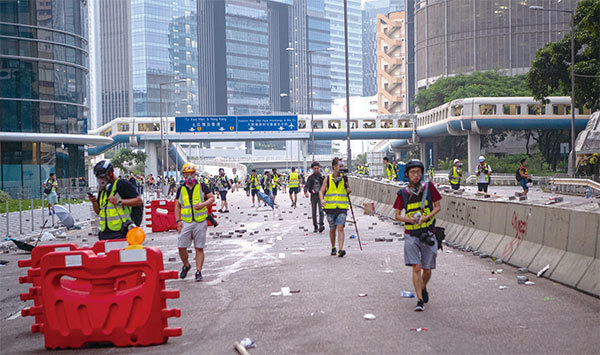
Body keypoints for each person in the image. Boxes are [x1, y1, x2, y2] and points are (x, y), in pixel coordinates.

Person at [393, 159, 442, 312]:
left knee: (427, 269)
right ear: (407, 174)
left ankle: (423, 287)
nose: (416, 175)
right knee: (417, 267)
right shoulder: (403, 193)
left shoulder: (429, 188)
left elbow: (438, 206)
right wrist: (410, 220)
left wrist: (427, 218)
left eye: (418, 172)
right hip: (411, 234)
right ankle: (419, 300)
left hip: (428, 233)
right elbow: (397, 215)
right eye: (413, 172)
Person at [175, 163, 215, 282]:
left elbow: (212, 198)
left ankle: (198, 271)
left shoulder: (202, 186)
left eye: (191, 174)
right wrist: (178, 221)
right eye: (186, 174)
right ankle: (186, 265)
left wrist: (203, 204)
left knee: (199, 248)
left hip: (200, 222)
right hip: (186, 222)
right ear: (183, 175)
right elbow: (177, 206)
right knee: (181, 246)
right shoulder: (181, 189)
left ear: (195, 174)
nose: (189, 177)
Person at [88, 160, 143, 240]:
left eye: (102, 177)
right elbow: (99, 211)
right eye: (98, 178)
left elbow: (138, 201)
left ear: (110, 174)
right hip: (105, 235)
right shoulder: (102, 190)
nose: (100, 180)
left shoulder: (122, 184)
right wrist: (94, 202)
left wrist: (119, 202)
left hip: (121, 233)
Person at [319, 158, 351, 257]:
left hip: (342, 208)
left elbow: (348, 190)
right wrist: (322, 200)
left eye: (342, 166)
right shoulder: (327, 178)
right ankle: (333, 247)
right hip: (330, 208)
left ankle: (341, 249)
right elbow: (321, 191)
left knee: (340, 227)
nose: (341, 168)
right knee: (332, 228)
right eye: (339, 166)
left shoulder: (345, 178)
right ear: (334, 167)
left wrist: (348, 190)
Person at [304, 161, 325, 233]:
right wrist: (306, 192)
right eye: (315, 168)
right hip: (313, 196)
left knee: (321, 211)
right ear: (312, 169)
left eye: (317, 168)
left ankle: (321, 225)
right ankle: (315, 226)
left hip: (320, 196)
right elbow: (307, 185)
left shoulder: (321, 177)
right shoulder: (310, 178)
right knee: (314, 211)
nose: (316, 169)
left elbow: (325, 186)